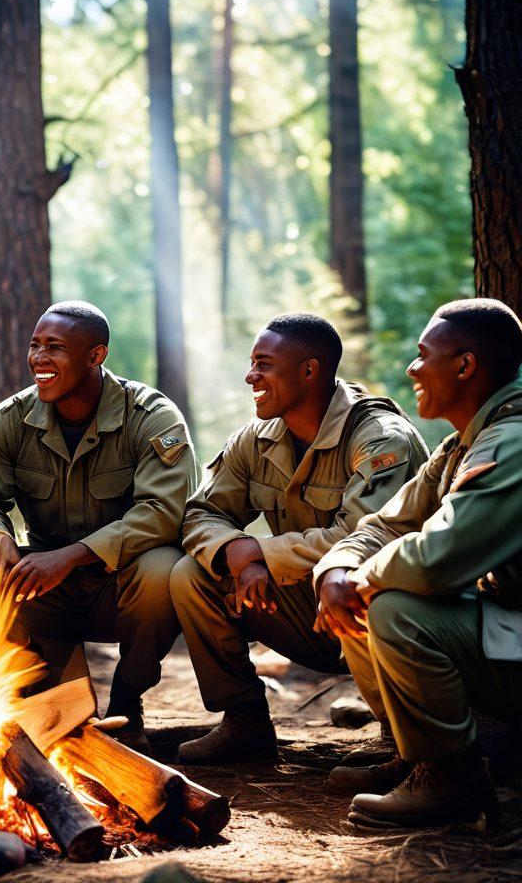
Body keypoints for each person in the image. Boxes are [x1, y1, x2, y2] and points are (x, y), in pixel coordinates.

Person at [170, 314, 427, 780]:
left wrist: (263, 556)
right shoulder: (257, 436)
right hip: (305, 613)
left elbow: (367, 538)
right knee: (191, 574)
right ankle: (244, 720)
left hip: (381, 617)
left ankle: (404, 742)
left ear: (309, 371)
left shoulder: (380, 438)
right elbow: (200, 512)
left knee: (368, 582)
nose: (251, 376)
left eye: (263, 364)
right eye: (251, 363)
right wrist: (236, 552)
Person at [314, 298, 522, 829]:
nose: (411, 369)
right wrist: (336, 571)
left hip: (514, 632)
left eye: (422, 354)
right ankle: (418, 755)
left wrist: (360, 581)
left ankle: (451, 776)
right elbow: (385, 526)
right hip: (508, 628)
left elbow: (436, 561)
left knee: (395, 607)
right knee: (365, 595)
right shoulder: (463, 443)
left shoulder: (513, 441)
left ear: (465, 365)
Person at [0, 301, 197, 751]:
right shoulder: (11, 420)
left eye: (55, 348)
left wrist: (72, 556)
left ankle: (128, 701)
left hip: (120, 587)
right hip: (45, 588)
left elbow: (164, 511)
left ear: (95, 355)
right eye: (35, 345)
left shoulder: (151, 417)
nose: (39, 359)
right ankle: (30, 690)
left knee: (164, 566)